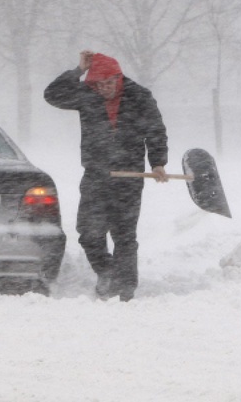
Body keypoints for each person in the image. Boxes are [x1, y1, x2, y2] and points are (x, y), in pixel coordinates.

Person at [44, 50, 168, 301]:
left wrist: (157, 163)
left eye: (108, 83)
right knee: (89, 232)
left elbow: (155, 130)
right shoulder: (87, 94)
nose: (104, 89)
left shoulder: (139, 96)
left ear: (118, 77)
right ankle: (107, 271)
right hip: (96, 174)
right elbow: (52, 94)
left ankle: (125, 288)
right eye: (98, 85)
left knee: (124, 235)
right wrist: (79, 71)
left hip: (129, 175)